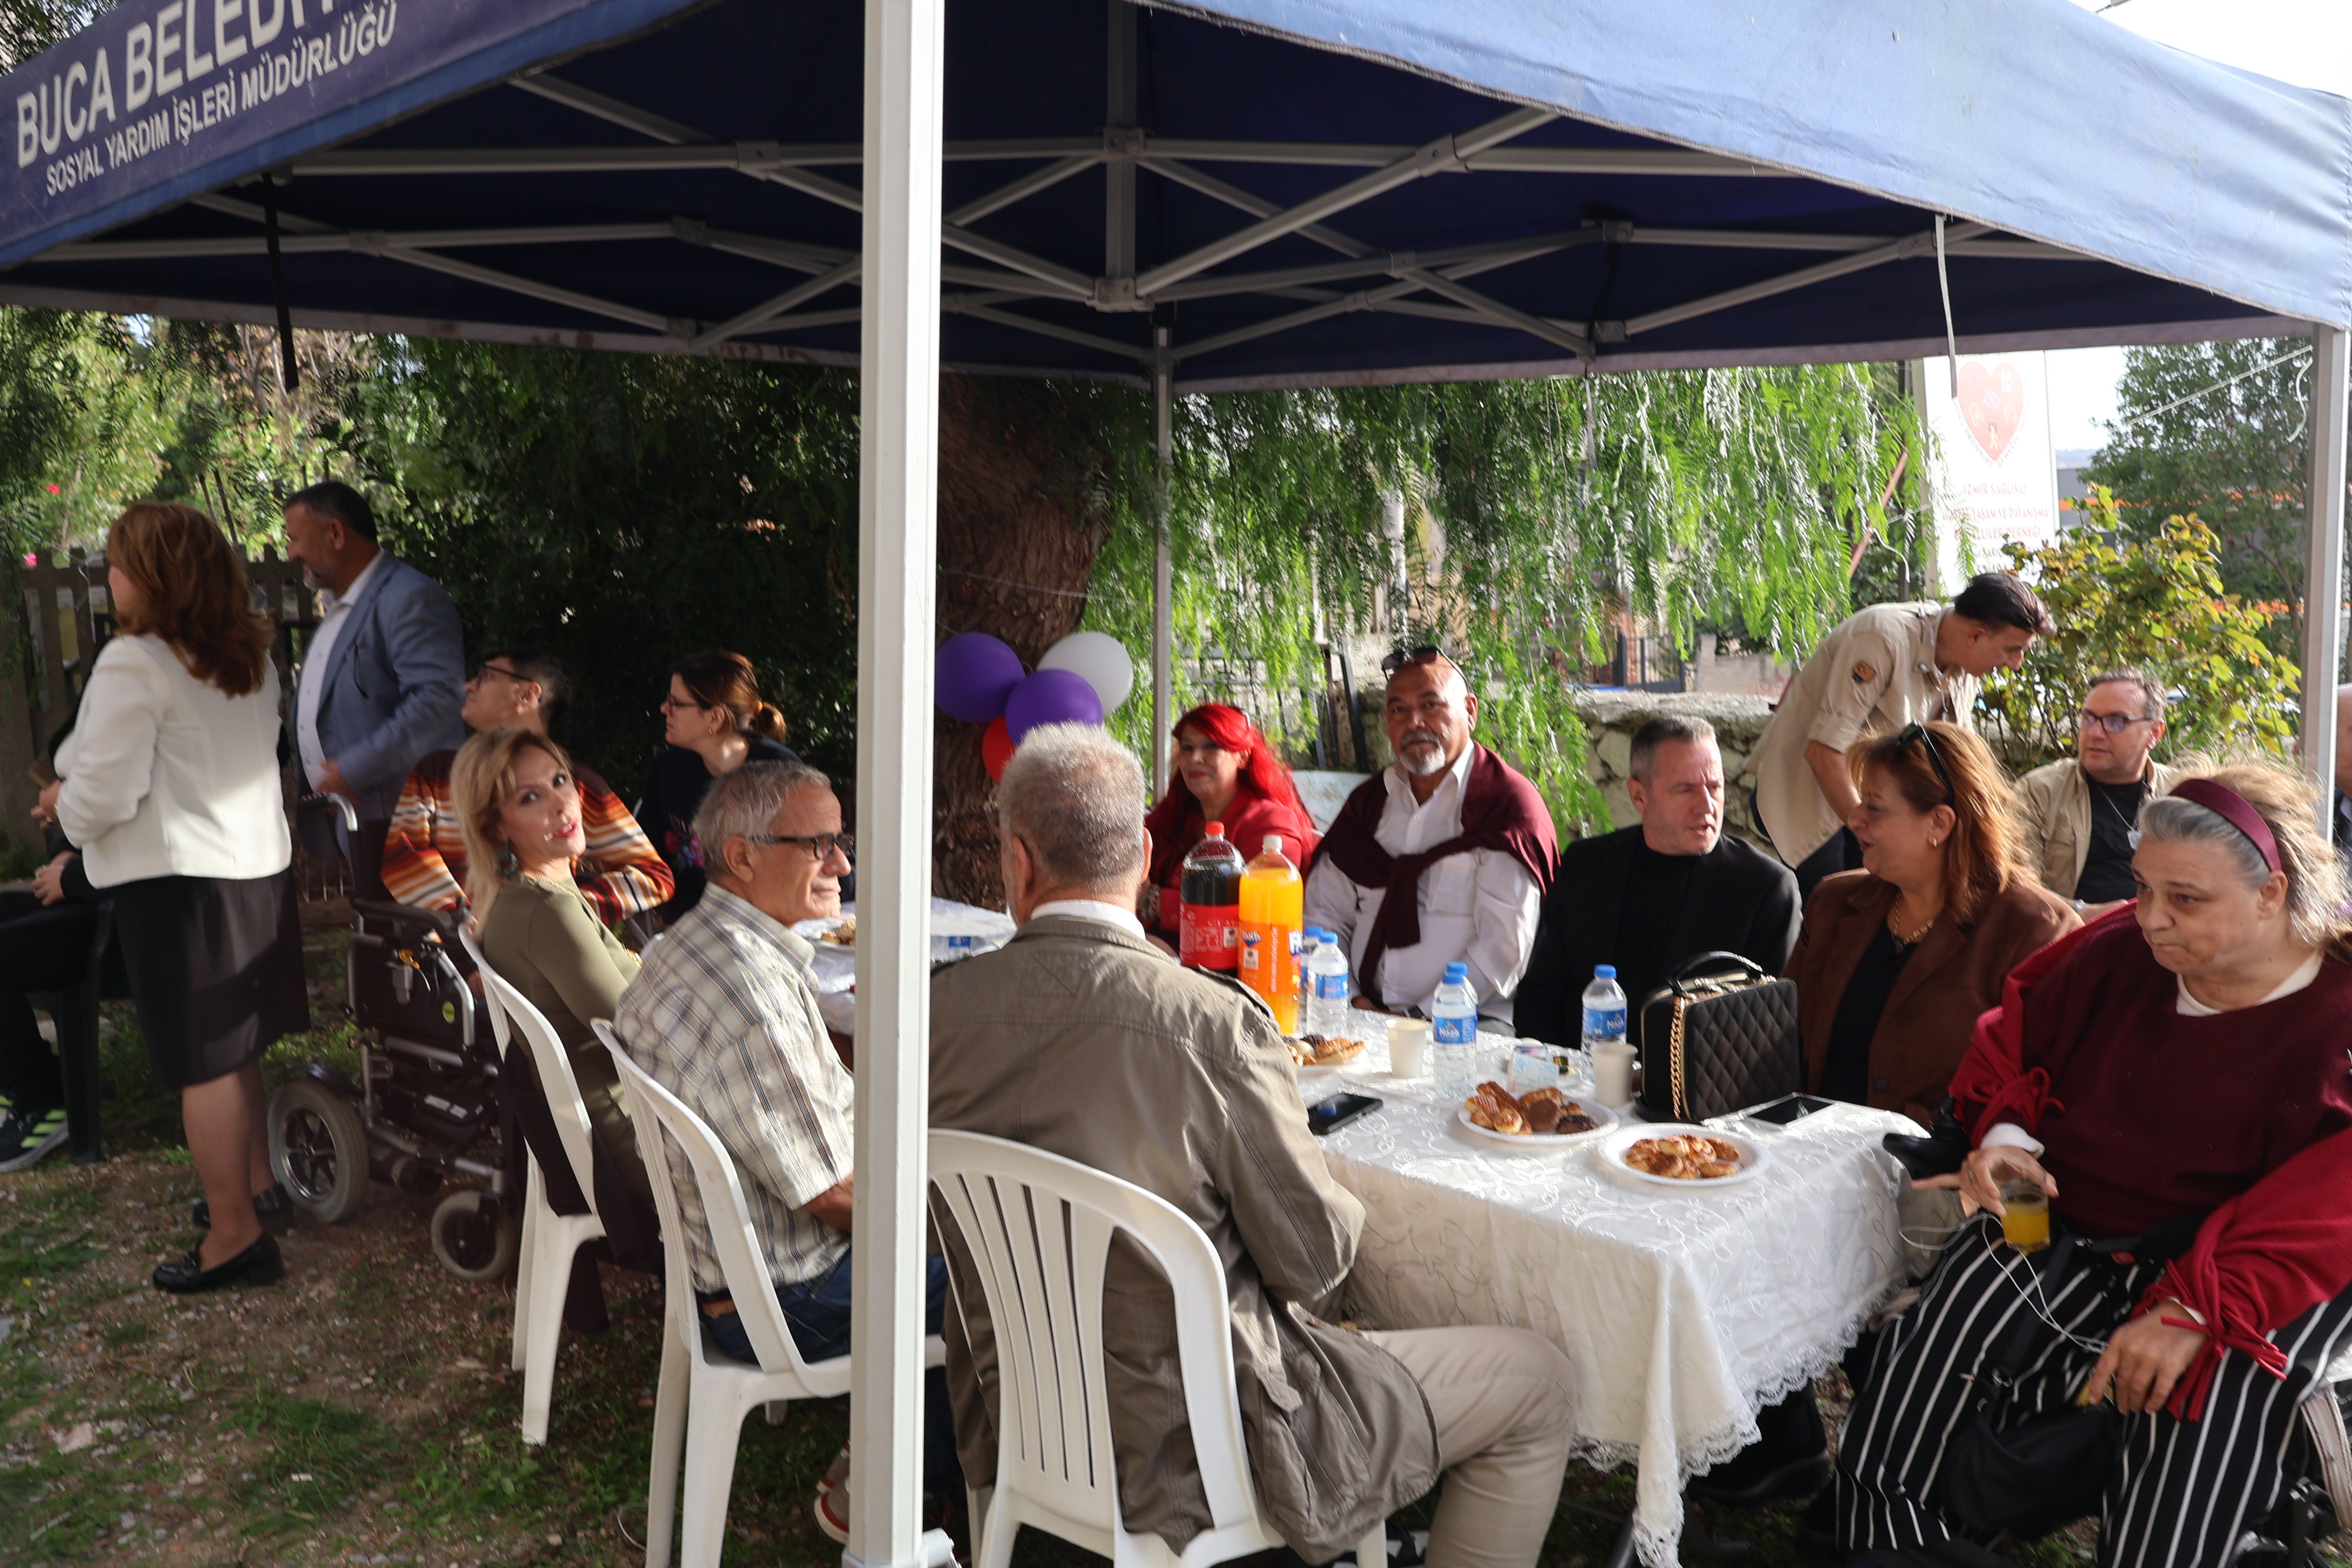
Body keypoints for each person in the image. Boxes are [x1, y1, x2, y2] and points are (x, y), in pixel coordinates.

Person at [932, 723, 1577, 1567]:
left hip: (1017, 1410)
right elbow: (1313, 1263)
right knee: (1538, 1380)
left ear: (1017, 862)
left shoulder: (933, 1015)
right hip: (1194, 1442)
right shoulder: (1210, 1025)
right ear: (1142, 859)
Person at [1834, 762, 2352, 1567]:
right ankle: (1892, 1541)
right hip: (2079, 1216)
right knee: (1948, 1328)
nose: (2151, 920)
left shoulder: (2339, 1009)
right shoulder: (2118, 950)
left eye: (2186, 899)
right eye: (2142, 888)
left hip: (2262, 1269)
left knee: (2197, 1412)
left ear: (2272, 894)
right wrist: (2005, 1141)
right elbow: (2015, 1038)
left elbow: (2329, 1207)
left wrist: (2191, 1312)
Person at [613, 760, 950, 1543]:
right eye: (820, 845)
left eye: (843, 841)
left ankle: (918, 1465)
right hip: (785, 1295)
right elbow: (835, 1197)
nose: (842, 863)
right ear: (743, 856)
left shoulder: (693, 941)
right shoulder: (750, 995)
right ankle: (893, 1489)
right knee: (1003, 1276)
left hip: (743, 1270)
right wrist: (957, 1219)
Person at [38, 503, 308, 1293]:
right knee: (235, 1051)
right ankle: (256, 1187)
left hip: (181, 886)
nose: (109, 577)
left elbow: (102, 798)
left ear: (155, 575)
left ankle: (235, 1235)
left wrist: (65, 806)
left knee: (202, 1067)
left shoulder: (137, 661)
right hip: (253, 871)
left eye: (119, 563)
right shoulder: (248, 656)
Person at [1789, 721, 2077, 1125]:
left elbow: (2041, 1090)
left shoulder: (2035, 930)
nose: (1855, 819)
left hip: (1939, 1176)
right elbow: (1781, 1045)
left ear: (1939, 824)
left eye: (1873, 806)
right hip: (1807, 1161)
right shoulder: (1834, 903)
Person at [453, 727, 657, 1268]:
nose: (562, 803)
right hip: (642, 1146)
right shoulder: (549, 912)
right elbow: (646, 1033)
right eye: (530, 798)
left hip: (622, 1126)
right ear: (496, 827)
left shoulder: (531, 897)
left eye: (560, 780)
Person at [1750, 572, 2053, 900]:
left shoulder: (1966, 667)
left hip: (1875, 805)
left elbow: (1956, 768)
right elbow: (1824, 753)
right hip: (1807, 798)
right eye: (2013, 650)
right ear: (1976, 636)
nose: (2016, 664)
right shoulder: (1881, 637)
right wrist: (1874, 830)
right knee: (1840, 913)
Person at [1515, 715, 1801, 1049]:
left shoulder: (1764, 888)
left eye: (1715, 787)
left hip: (1691, 1094)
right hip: (1579, 1081)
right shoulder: (1587, 867)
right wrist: (1554, 1079)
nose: (1707, 806)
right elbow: (1541, 995)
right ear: (1639, 797)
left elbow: (1767, 1032)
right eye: (1686, 790)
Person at [1305, 648, 1557, 1025]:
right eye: (1398, 710)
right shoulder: (1369, 805)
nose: (1414, 722)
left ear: (1470, 711)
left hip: (1469, 1023)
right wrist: (1348, 999)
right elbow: (1323, 915)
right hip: (1356, 1016)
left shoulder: (1506, 806)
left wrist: (1415, 1018)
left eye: (1431, 704)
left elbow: (1504, 950)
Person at [380, 648, 673, 923]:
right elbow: (403, 860)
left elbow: (652, 876)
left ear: (528, 694)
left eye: (486, 677)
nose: (469, 686)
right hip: (455, 962)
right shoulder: (436, 774)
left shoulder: (578, 785)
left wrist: (561, 913)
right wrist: (469, 929)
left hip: (545, 965)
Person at [282, 479, 465, 899]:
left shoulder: (408, 597)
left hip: (404, 821)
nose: (291, 553)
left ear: (336, 534)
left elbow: (437, 700)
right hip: (361, 821)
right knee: (384, 950)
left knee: (412, 954)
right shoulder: (339, 605)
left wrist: (352, 770)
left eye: (295, 539)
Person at [634, 649, 799, 924]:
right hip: (693, 927)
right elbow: (645, 856)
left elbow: (806, 861)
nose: (665, 709)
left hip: (773, 927)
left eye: (676, 703)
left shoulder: (780, 771)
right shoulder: (668, 770)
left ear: (715, 718)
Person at [1141, 702, 1321, 948]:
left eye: (1211, 746)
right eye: (1187, 748)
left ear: (1243, 757)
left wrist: (1154, 901)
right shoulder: (1175, 816)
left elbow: (1253, 917)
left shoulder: (1271, 823)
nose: (1195, 757)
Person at [2015, 669, 2175, 917]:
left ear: (2154, 733)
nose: (2095, 733)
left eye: (2116, 722)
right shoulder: (2040, 791)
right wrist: (2081, 912)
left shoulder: (2180, 794)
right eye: (2089, 719)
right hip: (2070, 935)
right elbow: (2014, 883)